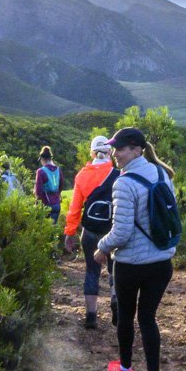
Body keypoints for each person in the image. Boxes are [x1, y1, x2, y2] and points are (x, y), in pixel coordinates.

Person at [93, 127, 176, 371]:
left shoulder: (124, 182)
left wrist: (101, 247)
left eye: (121, 148)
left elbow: (121, 232)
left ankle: (126, 370)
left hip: (130, 263)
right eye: (115, 148)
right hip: (162, 261)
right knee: (149, 318)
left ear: (137, 149)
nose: (115, 153)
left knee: (127, 316)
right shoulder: (163, 174)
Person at [63, 135, 119, 329]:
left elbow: (75, 208)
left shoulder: (82, 175)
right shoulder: (118, 174)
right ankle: (115, 301)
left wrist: (69, 232)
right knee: (115, 269)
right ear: (110, 152)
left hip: (90, 231)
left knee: (91, 270)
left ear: (92, 152)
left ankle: (91, 315)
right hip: (112, 231)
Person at [34, 146, 62, 233]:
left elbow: (38, 191)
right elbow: (61, 186)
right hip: (56, 205)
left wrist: (36, 203)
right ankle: (54, 245)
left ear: (42, 159)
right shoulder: (58, 170)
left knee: (43, 232)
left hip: (46, 206)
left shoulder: (40, 171)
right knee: (52, 231)